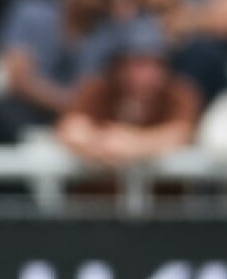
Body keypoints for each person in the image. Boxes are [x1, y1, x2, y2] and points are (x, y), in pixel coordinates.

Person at [0, 0, 124, 130]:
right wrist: (68, 104)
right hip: (26, 111)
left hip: (82, 121)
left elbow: (97, 89)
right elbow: (18, 78)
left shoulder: (108, 34)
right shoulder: (31, 12)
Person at [58, 18, 201, 168]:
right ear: (117, 67)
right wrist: (101, 143)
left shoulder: (179, 93)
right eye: (136, 64)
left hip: (157, 189)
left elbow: (183, 133)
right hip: (102, 188)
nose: (145, 74)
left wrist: (134, 143)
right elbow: (72, 128)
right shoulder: (98, 88)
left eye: (154, 64)